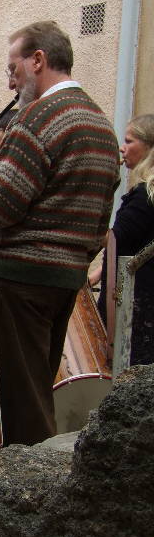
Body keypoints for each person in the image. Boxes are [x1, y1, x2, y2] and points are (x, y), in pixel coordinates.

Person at [0, 20, 119, 446]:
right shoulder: (101, 124)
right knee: (36, 391)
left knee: (21, 408)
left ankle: (28, 499)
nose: (10, 83)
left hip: (21, 282)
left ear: (38, 60)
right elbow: (100, 226)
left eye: (13, 69)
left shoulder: (37, 117)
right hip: (66, 282)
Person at [95, 114, 154, 366]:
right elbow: (132, 244)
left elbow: (116, 239)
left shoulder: (144, 197)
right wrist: (98, 272)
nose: (122, 147)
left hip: (134, 307)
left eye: (129, 141)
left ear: (149, 147)